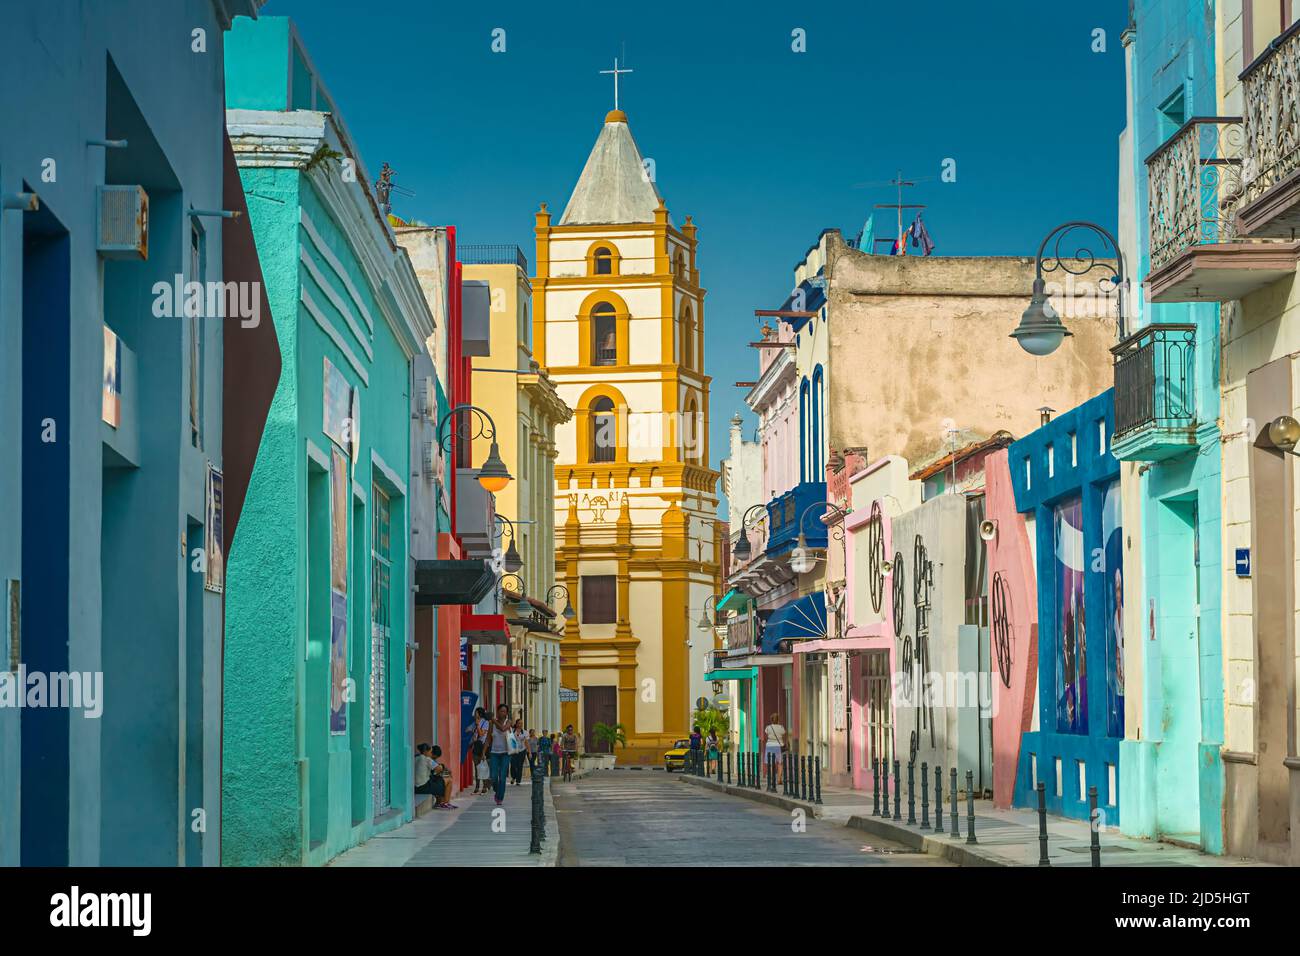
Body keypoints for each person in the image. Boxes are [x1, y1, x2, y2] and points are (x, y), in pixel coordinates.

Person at [485, 703, 513, 805]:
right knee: (493, 776)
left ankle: (499, 798)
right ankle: (498, 791)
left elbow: (503, 729)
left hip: (506, 753)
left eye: (505, 711)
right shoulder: (492, 724)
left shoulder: (509, 722)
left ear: (507, 713)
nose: (503, 713)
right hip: (494, 753)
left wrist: (493, 720)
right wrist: (483, 753)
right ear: (498, 712)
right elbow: (488, 739)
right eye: (501, 711)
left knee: (502, 777)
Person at [414, 743, 456, 809]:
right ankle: (445, 804)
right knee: (449, 780)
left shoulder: (415, 757)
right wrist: (442, 766)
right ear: (425, 752)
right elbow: (439, 769)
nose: (431, 754)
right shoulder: (427, 759)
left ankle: (439, 802)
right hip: (423, 787)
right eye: (430, 752)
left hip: (415, 787)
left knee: (438, 781)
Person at [467, 707, 490, 794]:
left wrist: (477, 725)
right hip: (475, 746)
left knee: (483, 767)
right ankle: (477, 787)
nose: (475, 714)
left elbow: (481, 734)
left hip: (482, 747)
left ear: (480, 714)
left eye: (476, 712)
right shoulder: (474, 723)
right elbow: (468, 730)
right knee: (476, 767)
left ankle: (484, 787)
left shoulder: (485, 722)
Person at [763, 713, 787, 784]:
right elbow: (784, 733)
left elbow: (766, 734)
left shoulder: (768, 727)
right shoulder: (781, 727)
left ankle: (771, 778)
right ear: (778, 720)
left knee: (770, 763)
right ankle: (779, 779)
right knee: (780, 763)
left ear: (771, 720)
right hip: (778, 746)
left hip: (769, 746)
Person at [509, 718, 527, 785]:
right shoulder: (512, 731)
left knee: (520, 766)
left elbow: (526, 742)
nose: (520, 724)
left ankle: (518, 781)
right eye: (519, 723)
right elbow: (509, 740)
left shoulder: (524, 732)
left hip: (522, 751)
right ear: (516, 724)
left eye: (521, 723)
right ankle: (513, 777)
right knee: (513, 765)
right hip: (513, 750)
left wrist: (529, 752)